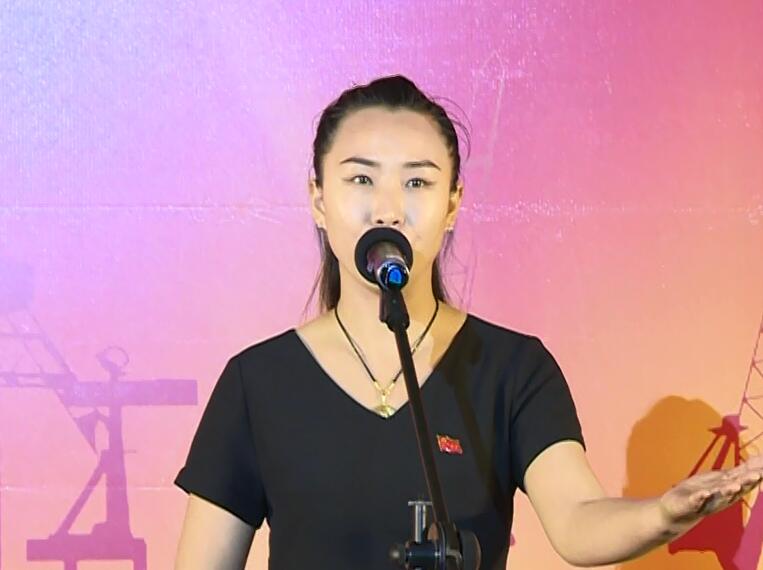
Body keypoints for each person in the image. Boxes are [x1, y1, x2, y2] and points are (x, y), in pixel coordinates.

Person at [173, 75, 762, 569]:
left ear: (452, 204)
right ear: (318, 199)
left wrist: (663, 515)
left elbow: (577, 519)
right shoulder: (259, 382)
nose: (388, 208)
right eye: (361, 179)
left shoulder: (512, 368)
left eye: (417, 182)